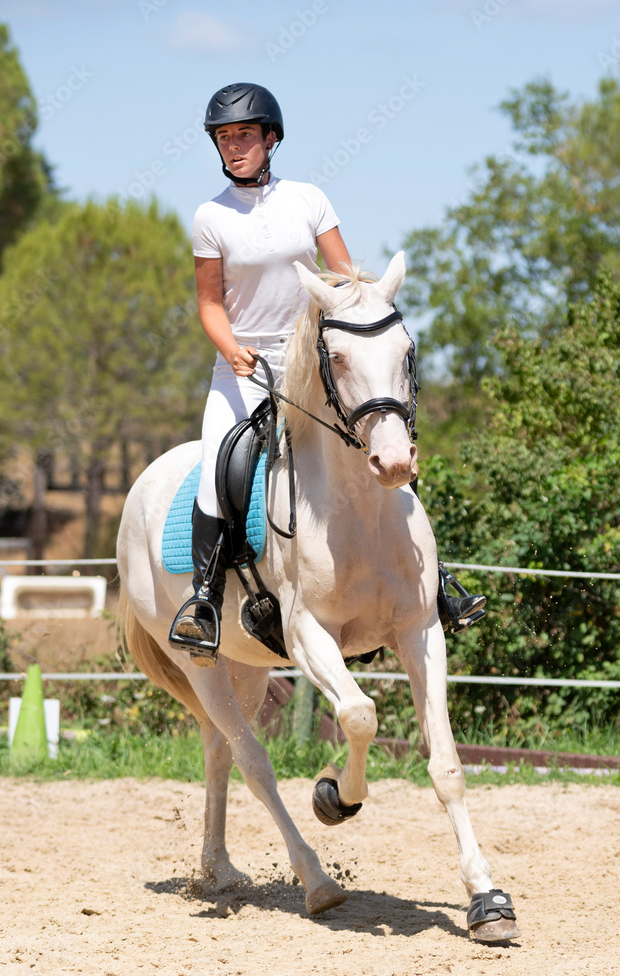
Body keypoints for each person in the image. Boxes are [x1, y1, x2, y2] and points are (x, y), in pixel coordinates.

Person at [169, 82, 484, 664]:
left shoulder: (308, 199)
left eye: (244, 134)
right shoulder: (210, 216)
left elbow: (343, 278)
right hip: (243, 369)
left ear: (271, 138)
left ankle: (434, 582)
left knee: (381, 444)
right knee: (218, 467)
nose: (234, 145)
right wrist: (231, 349)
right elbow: (209, 302)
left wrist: (365, 314)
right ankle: (205, 598)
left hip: (312, 363)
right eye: (224, 137)